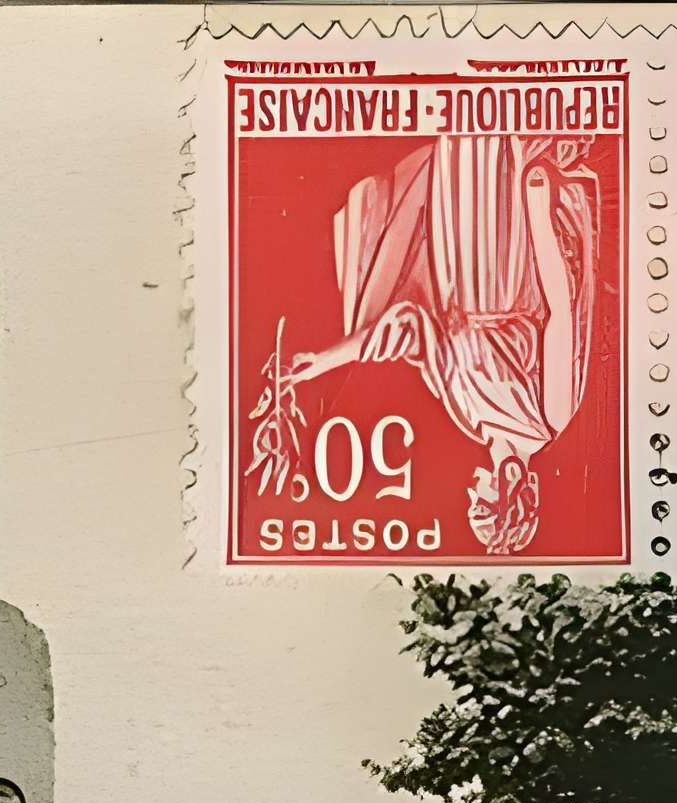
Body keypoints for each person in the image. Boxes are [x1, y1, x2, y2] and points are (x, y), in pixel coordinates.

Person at [248, 132, 604, 554]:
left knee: (461, 141)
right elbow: (561, 314)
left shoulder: (467, 417)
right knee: (499, 140)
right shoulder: (548, 419)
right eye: (480, 500)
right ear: (510, 491)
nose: (471, 491)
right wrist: (539, 212)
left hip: (454, 258)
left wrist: (322, 362)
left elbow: (411, 332)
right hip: (507, 260)